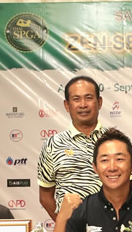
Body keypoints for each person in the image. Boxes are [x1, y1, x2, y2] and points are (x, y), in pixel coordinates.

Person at [37, 75, 108, 220]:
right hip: (70, 231)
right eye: (76, 99)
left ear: (99, 102)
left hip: (112, 230)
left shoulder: (116, 142)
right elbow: (45, 197)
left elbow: (127, 188)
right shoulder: (52, 144)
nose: (83, 104)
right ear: (67, 105)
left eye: (88, 98)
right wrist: (66, 226)